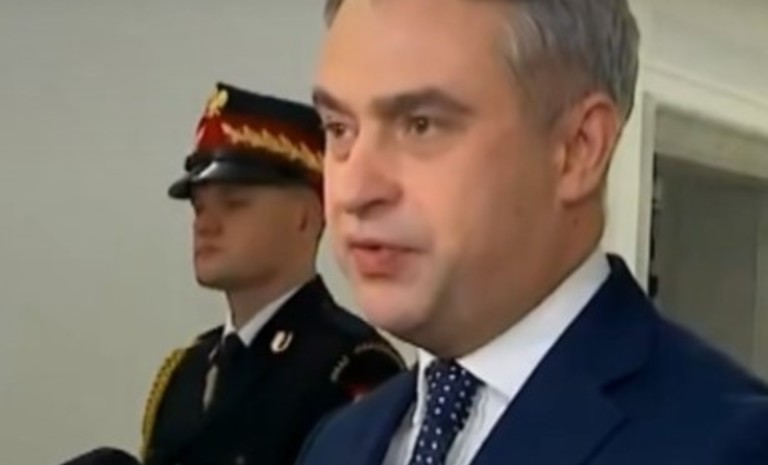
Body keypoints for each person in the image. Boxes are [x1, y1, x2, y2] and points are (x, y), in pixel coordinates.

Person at [298, 0, 768, 464]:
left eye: (421, 126)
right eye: (338, 128)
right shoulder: (338, 442)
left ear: (579, 149)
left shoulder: (732, 445)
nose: (354, 190)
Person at [139, 82, 406, 465]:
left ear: (306, 217)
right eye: (199, 208)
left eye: (234, 204)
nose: (205, 225)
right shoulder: (186, 372)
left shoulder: (349, 366)